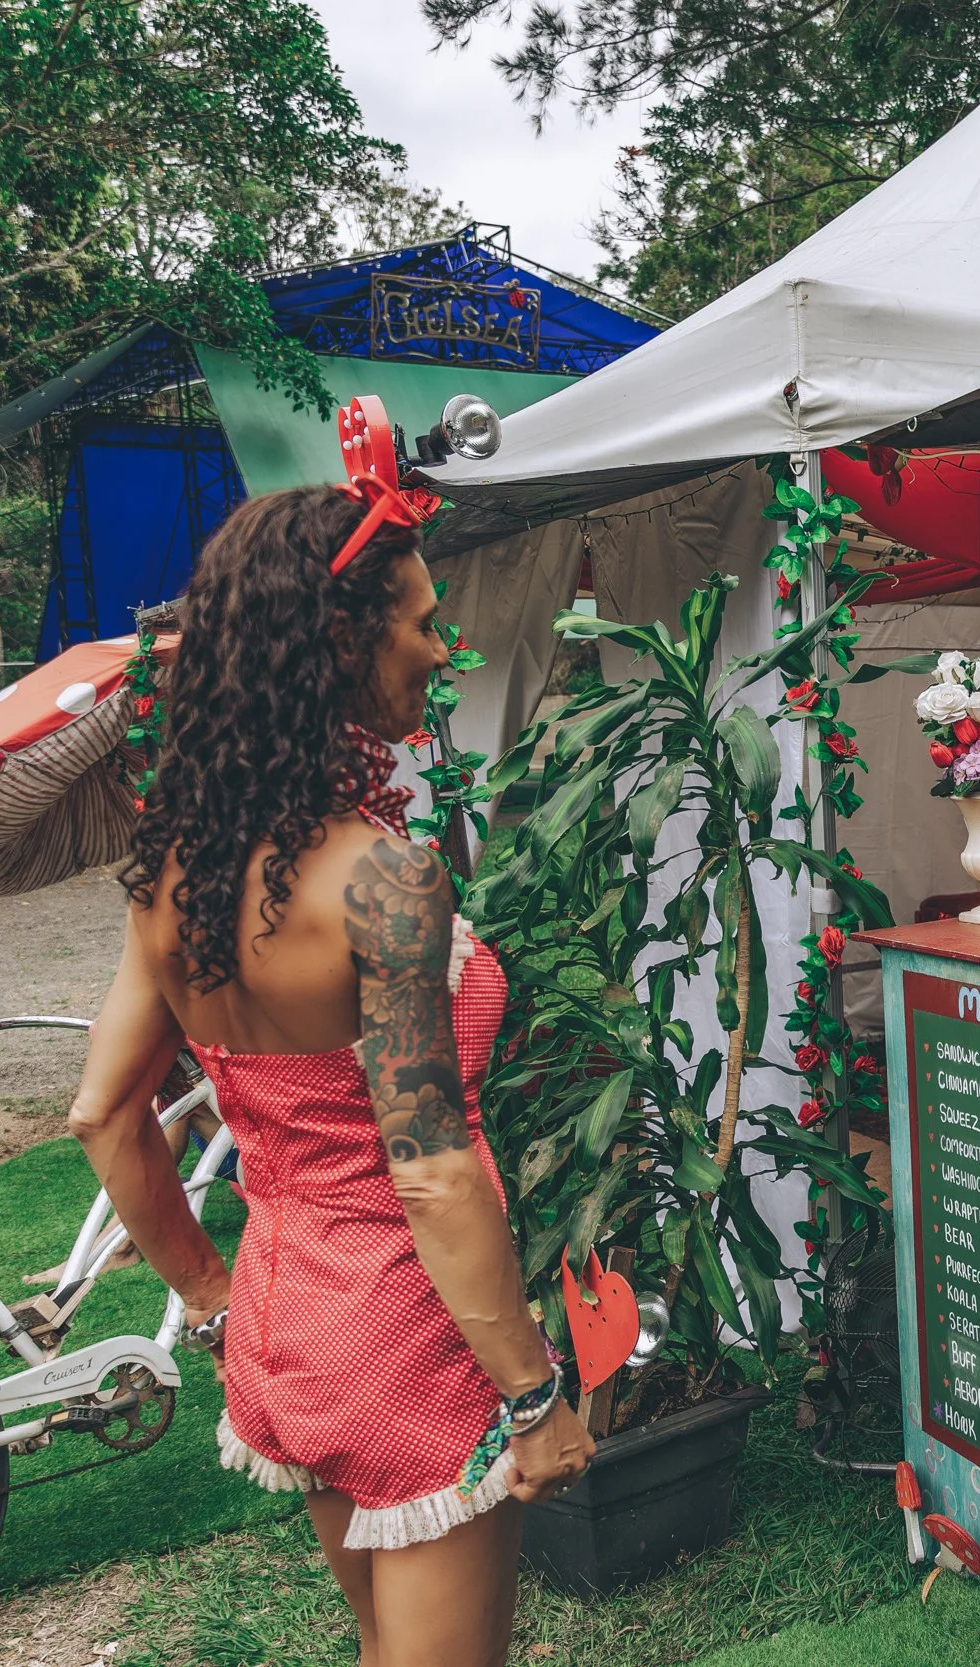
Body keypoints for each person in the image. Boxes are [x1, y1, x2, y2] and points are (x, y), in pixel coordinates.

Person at [68, 487, 592, 1667]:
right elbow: (435, 1173)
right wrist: (530, 1395)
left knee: (380, 1646)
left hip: (281, 1315)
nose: (440, 646)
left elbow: (102, 1114)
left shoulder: (178, 867)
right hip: (412, 1330)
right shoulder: (381, 880)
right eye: (419, 621)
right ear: (342, 643)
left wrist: (210, 1295)